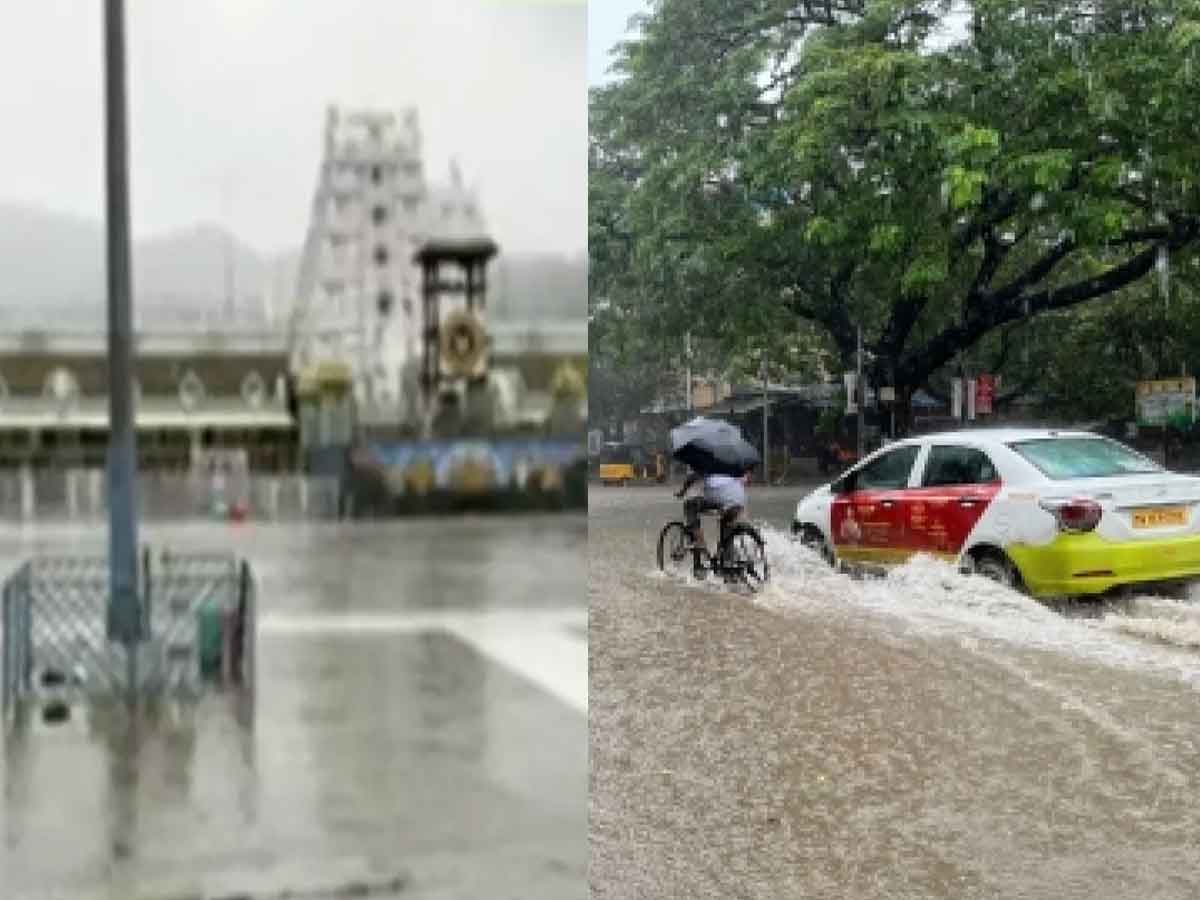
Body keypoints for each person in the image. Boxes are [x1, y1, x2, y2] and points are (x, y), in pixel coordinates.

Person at [674, 469, 749, 578]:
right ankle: (727, 563)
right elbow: (743, 480)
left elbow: (693, 476)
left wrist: (682, 491)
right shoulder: (735, 464)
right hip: (739, 500)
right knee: (727, 526)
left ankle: (699, 542)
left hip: (720, 499)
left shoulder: (710, 461)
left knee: (689, 505)